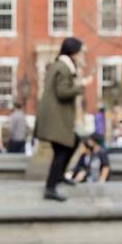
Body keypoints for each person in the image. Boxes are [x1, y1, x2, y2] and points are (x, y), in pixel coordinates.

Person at [36, 37, 92, 202]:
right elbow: (62, 92)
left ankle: (59, 177)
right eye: (80, 51)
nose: (82, 54)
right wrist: (82, 85)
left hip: (54, 117)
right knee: (61, 150)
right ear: (73, 52)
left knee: (73, 141)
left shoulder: (60, 65)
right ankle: (50, 187)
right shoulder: (63, 68)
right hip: (56, 118)